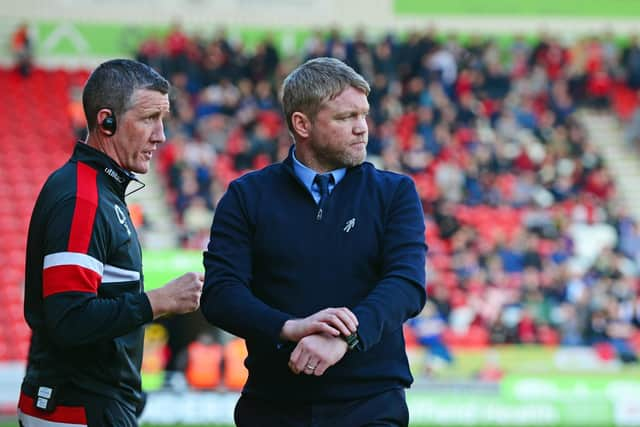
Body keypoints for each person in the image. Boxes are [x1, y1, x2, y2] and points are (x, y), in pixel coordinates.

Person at [201, 57, 427, 427]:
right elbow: (221, 294)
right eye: (345, 118)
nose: (362, 129)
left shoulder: (395, 192)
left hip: (371, 405)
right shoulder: (247, 196)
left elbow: (406, 285)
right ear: (301, 124)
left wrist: (345, 339)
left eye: (363, 115)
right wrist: (290, 327)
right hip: (272, 405)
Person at [18, 59, 204, 427]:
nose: (161, 135)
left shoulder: (100, 193)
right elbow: (69, 319)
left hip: (93, 402)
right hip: (74, 408)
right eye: (149, 118)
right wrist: (158, 301)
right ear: (106, 121)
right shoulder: (81, 197)